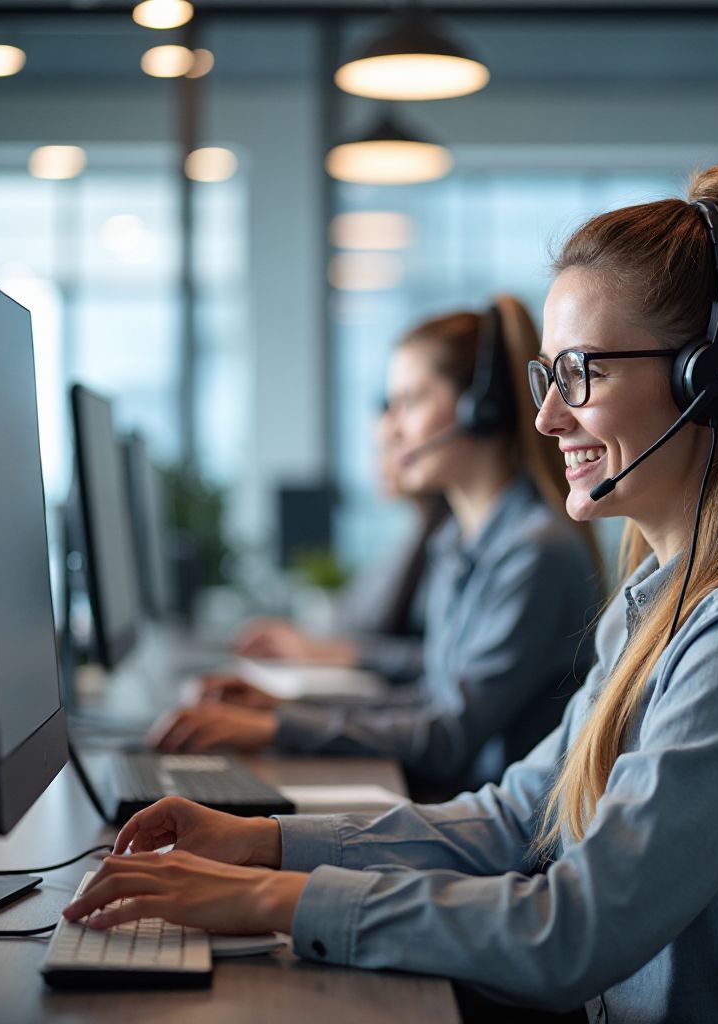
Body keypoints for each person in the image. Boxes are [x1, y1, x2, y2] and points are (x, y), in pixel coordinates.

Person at [65, 166, 718, 1022]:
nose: (548, 419)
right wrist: (263, 843)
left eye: (582, 373)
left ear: (710, 382)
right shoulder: (655, 607)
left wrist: (272, 902)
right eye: (547, 377)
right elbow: (514, 819)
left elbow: (578, 931)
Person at [152, 297, 604, 795]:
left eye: (409, 402)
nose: (389, 429)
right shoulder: (460, 540)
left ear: (482, 409)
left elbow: (448, 735)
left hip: (488, 825)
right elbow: (431, 689)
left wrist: (277, 727)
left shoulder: (534, 552)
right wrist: (279, 710)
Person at [229, 406, 450, 683]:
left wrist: (330, 652)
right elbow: (351, 616)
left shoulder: (447, 544)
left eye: (387, 448)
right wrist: (307, 642)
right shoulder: (411, 540)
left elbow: (440, 659)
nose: (378, 465)